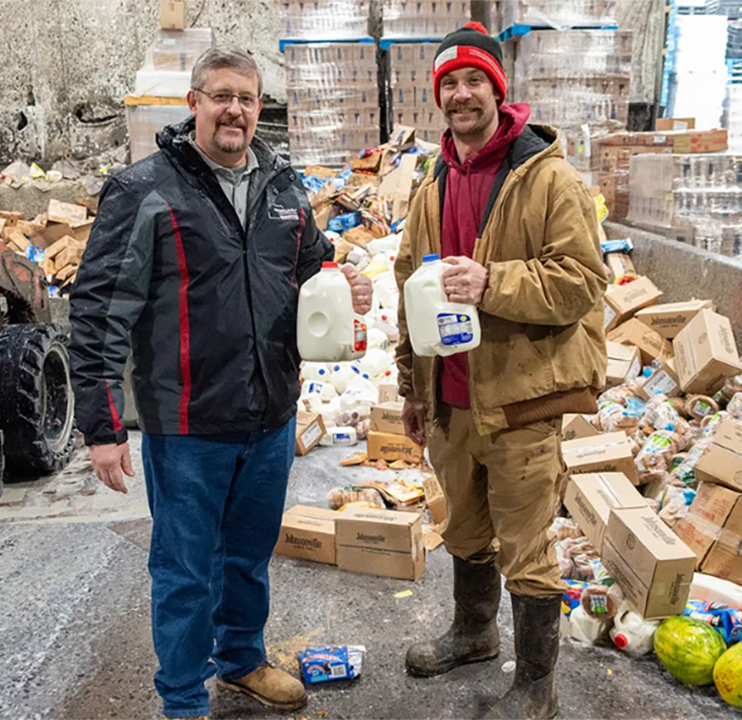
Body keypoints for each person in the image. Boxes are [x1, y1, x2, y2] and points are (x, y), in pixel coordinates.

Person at [68, 47, 372, 720]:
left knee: (248, 555)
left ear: (260, 108)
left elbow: (314, 265)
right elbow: (100, 309)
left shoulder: (284, 187)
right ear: (195, 104)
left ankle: (241, 659)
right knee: (183, 572)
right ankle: (181, 700)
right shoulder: (144, 188)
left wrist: (347, 279)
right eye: (221, 95)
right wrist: (102, 423)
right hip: (187, 424)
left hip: (269, 413)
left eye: (248, 97)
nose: (235, 109)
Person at [393, 23, 609, 720]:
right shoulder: (432, 181)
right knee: (464, 529)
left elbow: (581, 283)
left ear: (497, 89)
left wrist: (492, 283)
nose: (460, 95)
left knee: (528, 549)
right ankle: (474, 632)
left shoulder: (547, 177)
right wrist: (410, 387)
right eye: (448, 84)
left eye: (473, 81)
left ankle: (535, 686)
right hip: (451, 399)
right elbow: (407, 287)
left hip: (520, 401)